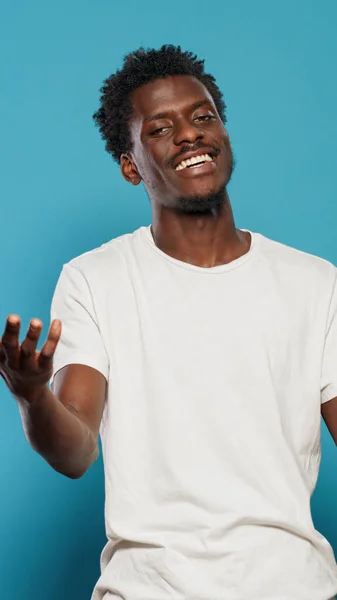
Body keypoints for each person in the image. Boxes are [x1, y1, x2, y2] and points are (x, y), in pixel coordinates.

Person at [1, 44, 337, 600]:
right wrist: (34, 396)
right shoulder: (94, 279)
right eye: (160, 128)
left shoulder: (315, 283)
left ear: (225, 136)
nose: (189, 134)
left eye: (203, 117)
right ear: (131, 165)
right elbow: (76, 451)